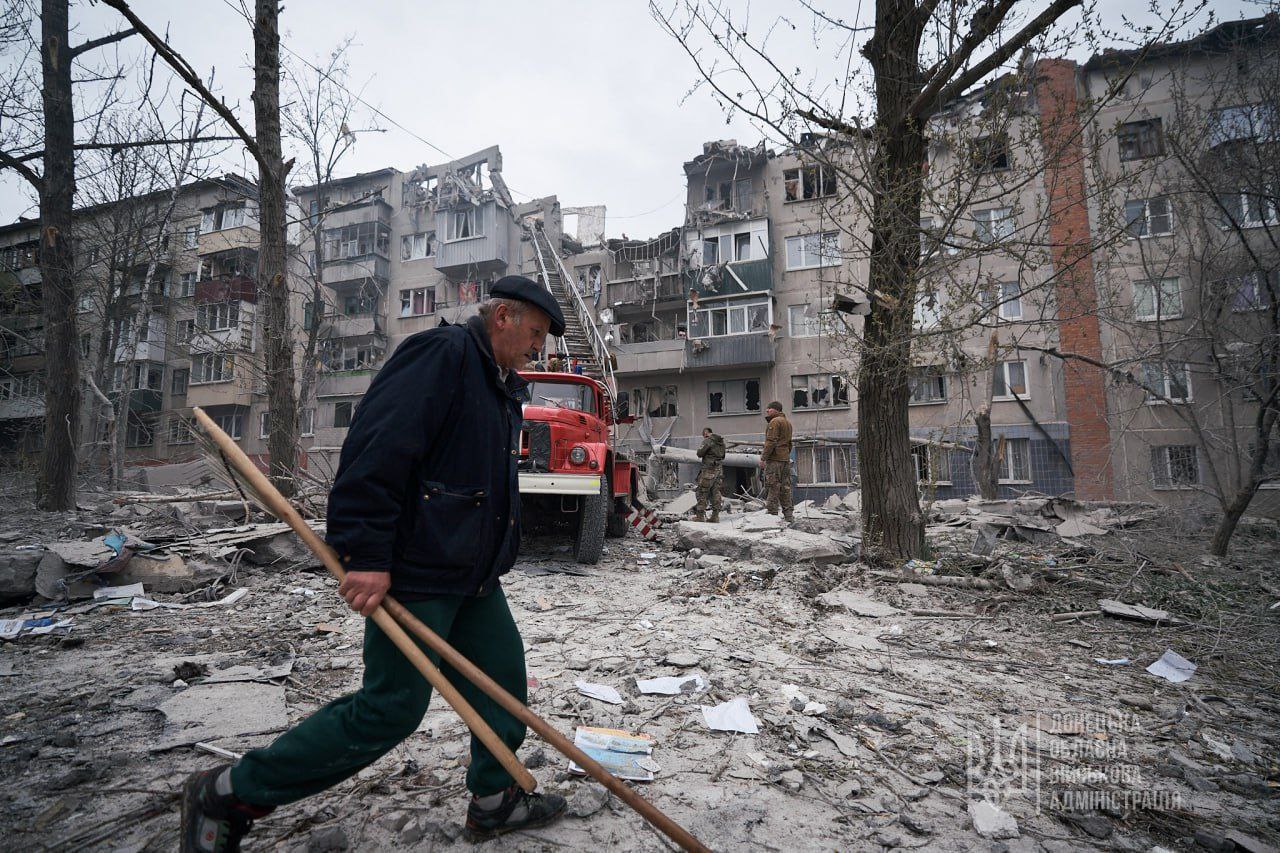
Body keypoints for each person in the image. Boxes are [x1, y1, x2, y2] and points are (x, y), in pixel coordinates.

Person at [180, 276, 569, 851]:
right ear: (504, 316)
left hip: (474, 578)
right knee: (390, 710)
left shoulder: (500, 385)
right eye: (535, 332)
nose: (541, 347)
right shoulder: (443, 355)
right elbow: (377, 446)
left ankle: (495, 800)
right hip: (418, 573)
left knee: (503, 681)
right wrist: (364, 553)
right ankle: (229, 792)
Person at [759, 401, 794, 522]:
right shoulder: (787, 423)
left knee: (772, 486)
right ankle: (788, 515)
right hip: (785, 459)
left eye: (770, 408)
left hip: (774, 460)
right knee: (785, 487)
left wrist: (763, 458)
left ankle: (772, 515)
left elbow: (771, 441)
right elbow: (790, 443)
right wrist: (785, 455)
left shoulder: (774, 422)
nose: (767, 410)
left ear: (776, 410)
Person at [693, 427, 726, 523]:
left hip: (709, 469)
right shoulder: (721, 442)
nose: (703, 438)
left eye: (703, 436)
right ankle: (715, 516)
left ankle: (700, 516)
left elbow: (699, 453)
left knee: (701, 491)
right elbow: (723, 456)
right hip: (719, 470)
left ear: (706, 433)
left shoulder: (708, 441)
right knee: (716, 492)